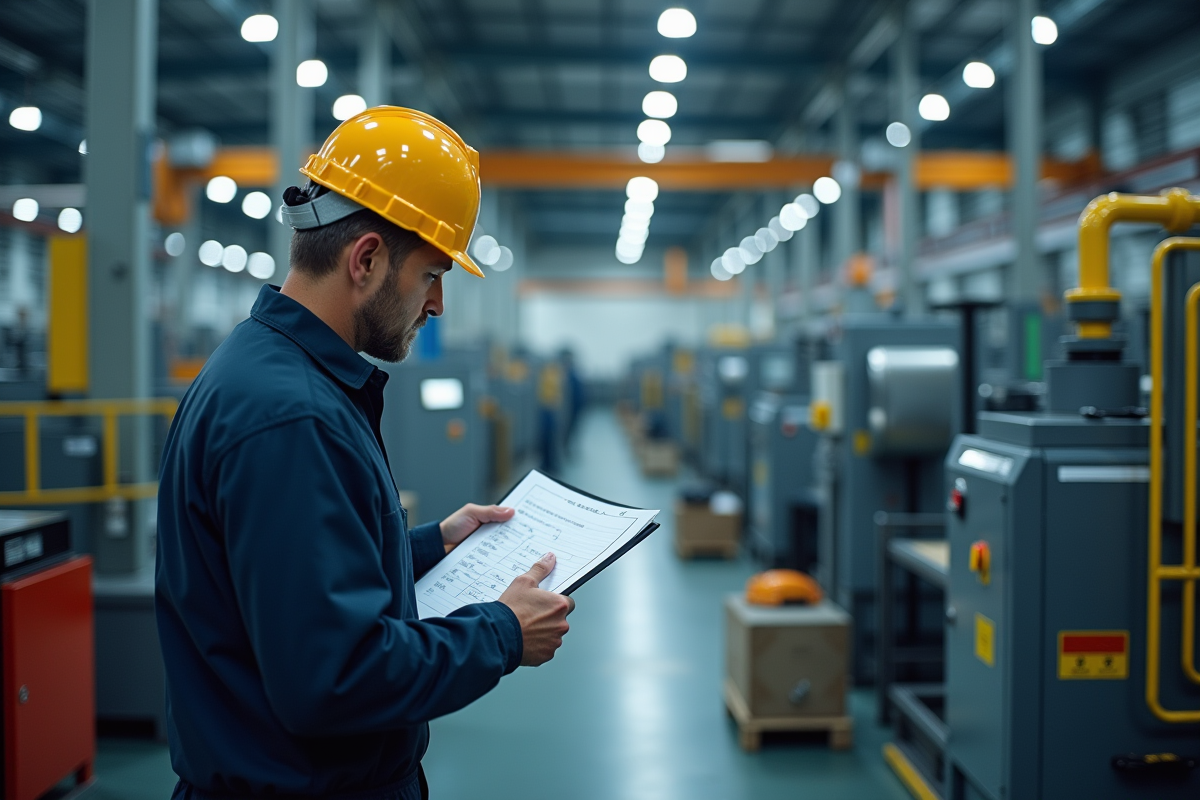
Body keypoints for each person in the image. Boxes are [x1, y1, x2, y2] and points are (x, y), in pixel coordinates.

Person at [156, 107, 573, 800]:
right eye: (432, 275)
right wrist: (501, 632)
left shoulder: (270, 370)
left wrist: (430, 546)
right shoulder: (292, 417)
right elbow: (332, 680)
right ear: (367, 259)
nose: (437, 304)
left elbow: (291, 581)